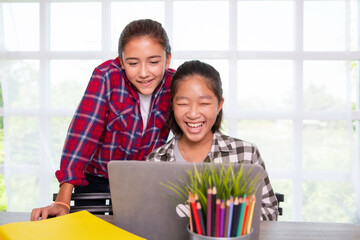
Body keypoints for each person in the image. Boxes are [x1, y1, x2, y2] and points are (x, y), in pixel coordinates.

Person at [31, 19, 174, 221]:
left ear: (167, 60)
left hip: (140, 179)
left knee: (135, 230)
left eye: (153, 62)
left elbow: (186, 137)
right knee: (87, 230)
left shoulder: (175, 84)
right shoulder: (106, 76)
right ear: (121, 61)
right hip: (95, 178)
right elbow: (82, 136)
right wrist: (63, 201)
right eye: (133, 63)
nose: (143, 72)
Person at [146, 60, 279, 220]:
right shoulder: (155, 160)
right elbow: (148, 220)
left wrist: (221, 218)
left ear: (219, 105)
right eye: (182, 103)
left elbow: (269, 214)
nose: (193, 113)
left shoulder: (245, 154)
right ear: (172, 105)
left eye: (204, 103)